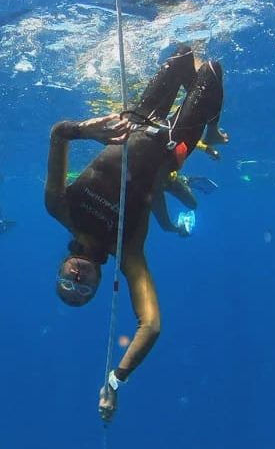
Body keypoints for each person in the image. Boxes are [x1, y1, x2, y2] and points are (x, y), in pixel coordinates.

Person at [44, 42, 226, 422]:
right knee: (210, 70)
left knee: (181, 57)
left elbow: (59, 134)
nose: (76, 280)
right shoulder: (126, 252)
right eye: (83, 289)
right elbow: (152, 325)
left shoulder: (60, 208)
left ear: (62, 267)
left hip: (140, 118)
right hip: (172, 146)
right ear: (98, 284)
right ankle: (201, 144)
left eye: (67, 283)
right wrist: (114, 381)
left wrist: (85, 131)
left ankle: (188, 167)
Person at [151, 170, 217, 236]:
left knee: (193, 205)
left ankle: (185, 180)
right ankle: (185, 180)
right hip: (154, 188)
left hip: (164, 180)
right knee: (167, 226)